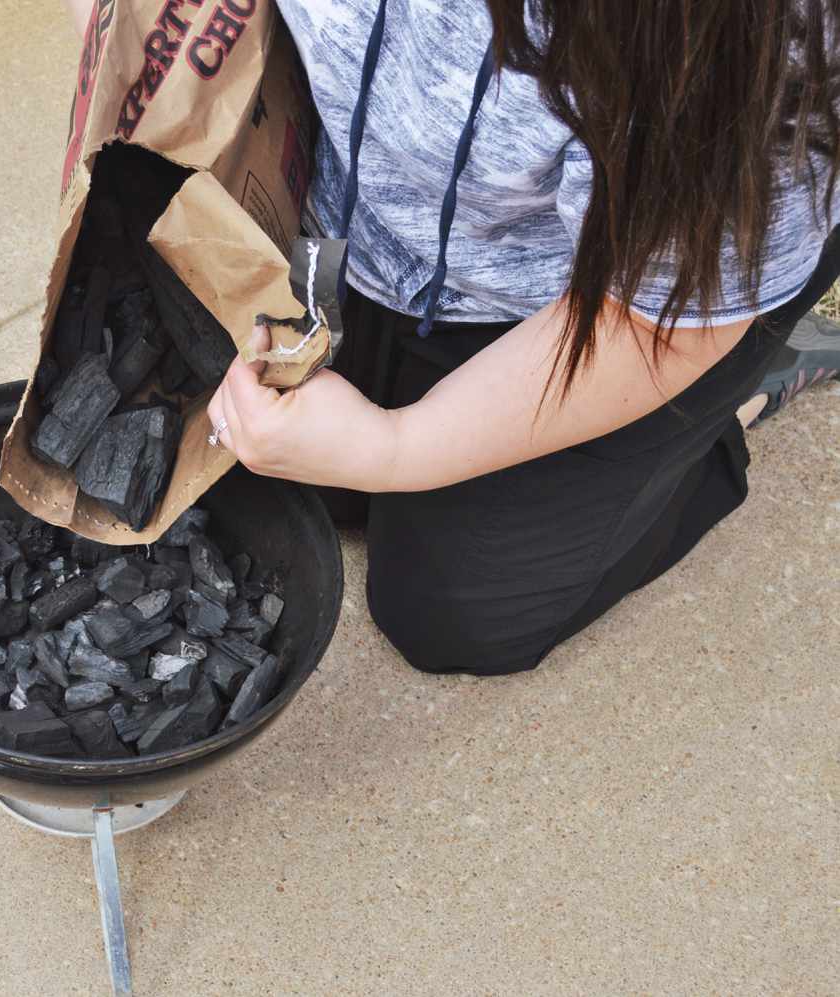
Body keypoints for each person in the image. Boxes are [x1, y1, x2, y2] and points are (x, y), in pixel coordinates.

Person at [70, 0, 840, 676]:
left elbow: (654, 324)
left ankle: (723, 405)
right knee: (246, 475)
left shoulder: (747, 30)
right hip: (345, 206)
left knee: (449, 609)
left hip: (620, 301)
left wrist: (397, 447)